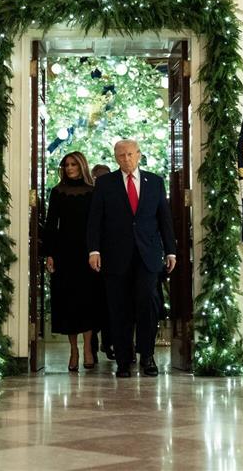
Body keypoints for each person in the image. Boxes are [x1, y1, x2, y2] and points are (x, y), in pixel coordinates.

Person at [87, 139, 176, 378]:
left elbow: (164, 219)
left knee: (148, 303)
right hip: (115, 255)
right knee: (119, 308)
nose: (126, 159)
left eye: (130, 154)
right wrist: (93, 250)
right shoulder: (105, 184)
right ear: (116, 158)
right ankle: (124, 360)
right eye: (121, 156)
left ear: (139, 155)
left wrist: (171, 251)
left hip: (147, 256)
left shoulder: (155, 182)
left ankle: (147, 355)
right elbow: (95, 220)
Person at [43, 151, 100, 371]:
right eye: (66, 165)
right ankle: (73, 350)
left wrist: (97, 251)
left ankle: (87, 348)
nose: (69, 168)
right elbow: (50, 224)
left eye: (73, 164)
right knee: (67, 302)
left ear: (81, 166)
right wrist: (50, 253)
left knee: (87, 301)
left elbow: (98, 223)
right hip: (63, 252)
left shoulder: (93, 192)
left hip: (87, 253)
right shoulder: (57, 192)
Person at [89, 164, 113, 360]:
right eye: (96, 178)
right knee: (94, 305)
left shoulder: (113, 194)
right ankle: (93, 347)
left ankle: (107, 342)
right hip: (89, 258)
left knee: (108, 304)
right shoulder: (88, 194)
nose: (99, 181)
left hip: (111, 259)